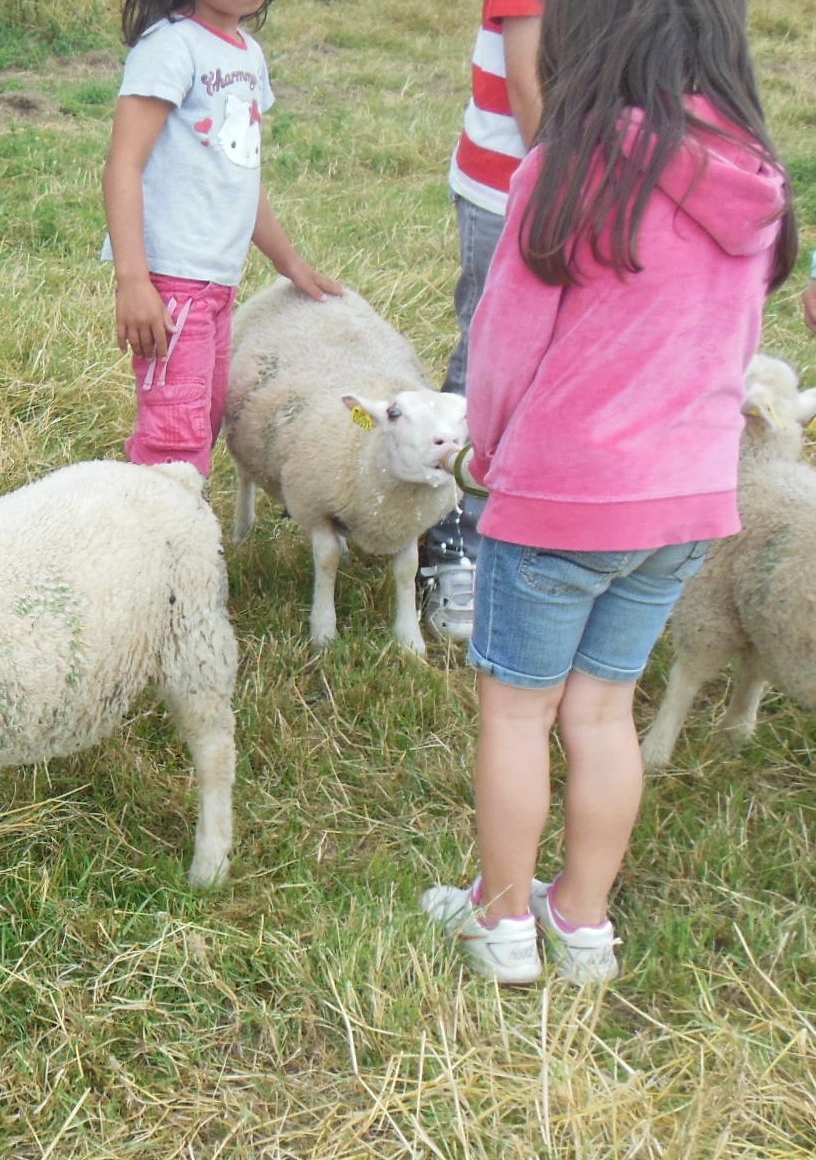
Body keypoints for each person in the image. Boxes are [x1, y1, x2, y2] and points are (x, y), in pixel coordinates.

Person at [421, 0, 797, 986]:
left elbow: (503, 342)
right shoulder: (756, 181)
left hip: (561, 496)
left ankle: (500, 923)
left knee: (516, 713)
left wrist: (485, 450)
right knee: (601, 711)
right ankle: (581, 923)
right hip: (686, 500)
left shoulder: (569, 166)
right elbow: (735, 346)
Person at [102, 0, 339, 480]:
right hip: (173, 282)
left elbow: (243, 174)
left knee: (205, 419)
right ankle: (153, 524)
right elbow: (123, 164)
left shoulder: (248, 54)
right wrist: (133, 280)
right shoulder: (170, 46)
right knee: (175, 441)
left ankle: (168, 514)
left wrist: (289, 262)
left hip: (218, 284)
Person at [417, 0, 545, 646]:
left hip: (596, 190)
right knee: (488, 364)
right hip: (512, 189)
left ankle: (535, 532)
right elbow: (526, 81)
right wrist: (574, 191)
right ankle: (453, 544)